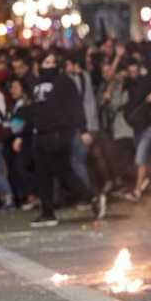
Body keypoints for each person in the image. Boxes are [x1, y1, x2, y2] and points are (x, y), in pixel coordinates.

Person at [15, 51, 107, 227]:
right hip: (40, 134)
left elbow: (76, 106)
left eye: (52, 62)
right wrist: (23, 133)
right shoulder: (37, 84)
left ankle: (91, 197)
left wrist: (83, 129)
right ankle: (48, 212)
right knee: (43, 175)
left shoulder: (64, 81)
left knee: (63, 172)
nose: (50, 65)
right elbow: (36, 110)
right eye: (46, 62)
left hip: (58, 133)